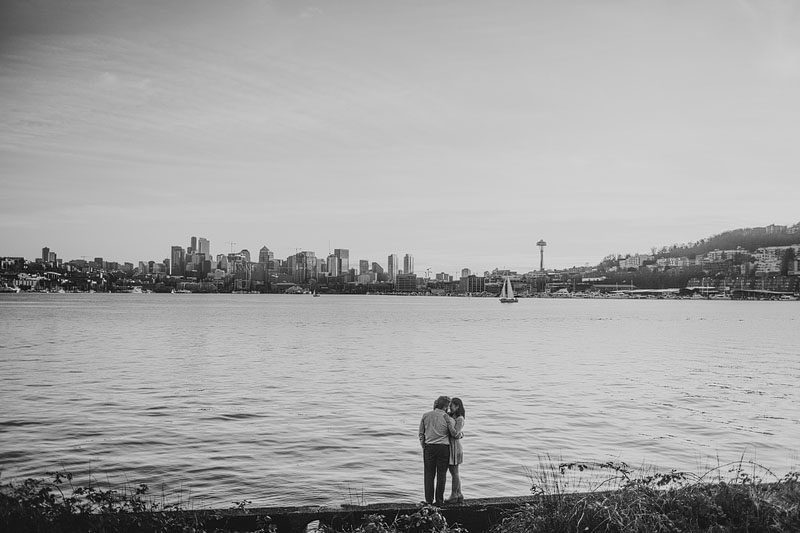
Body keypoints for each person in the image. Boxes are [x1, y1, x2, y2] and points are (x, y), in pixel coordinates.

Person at [418, 395, 458, 505]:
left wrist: (423, 444)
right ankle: (439, 500)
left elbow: (421, 433)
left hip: (429, 446)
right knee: (441, 475)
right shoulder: (448, 419)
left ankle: (428, 500)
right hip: (443, 448)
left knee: (429, 474)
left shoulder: (426, 415)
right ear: (446, 406)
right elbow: (453, 433)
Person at [445, 397, 466, 504]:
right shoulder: (450, 415)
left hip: (455, 447)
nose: (450, 408)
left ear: (457, 406)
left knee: (455, 472)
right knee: (454, 471)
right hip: (451, 446)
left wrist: (449, 424)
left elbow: (455, 434)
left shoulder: (460, 419)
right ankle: (459, 494)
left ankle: (454, 494)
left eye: (452, 406)